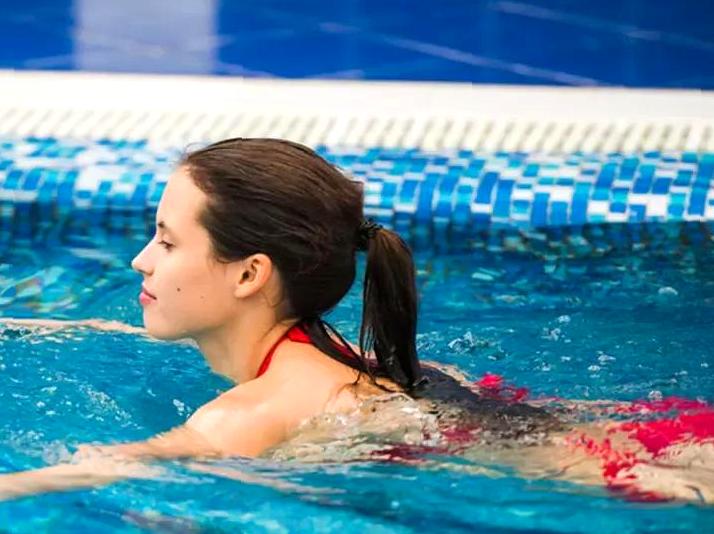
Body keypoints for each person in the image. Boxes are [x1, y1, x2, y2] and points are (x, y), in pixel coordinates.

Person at [0, 138, 712, 503]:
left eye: (166, 239)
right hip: (635, 428)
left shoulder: (242, 417)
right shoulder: (321, 346)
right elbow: (109, 336)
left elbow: (99, 470)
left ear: (250, 275)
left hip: (624, 473)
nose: (138, 262)